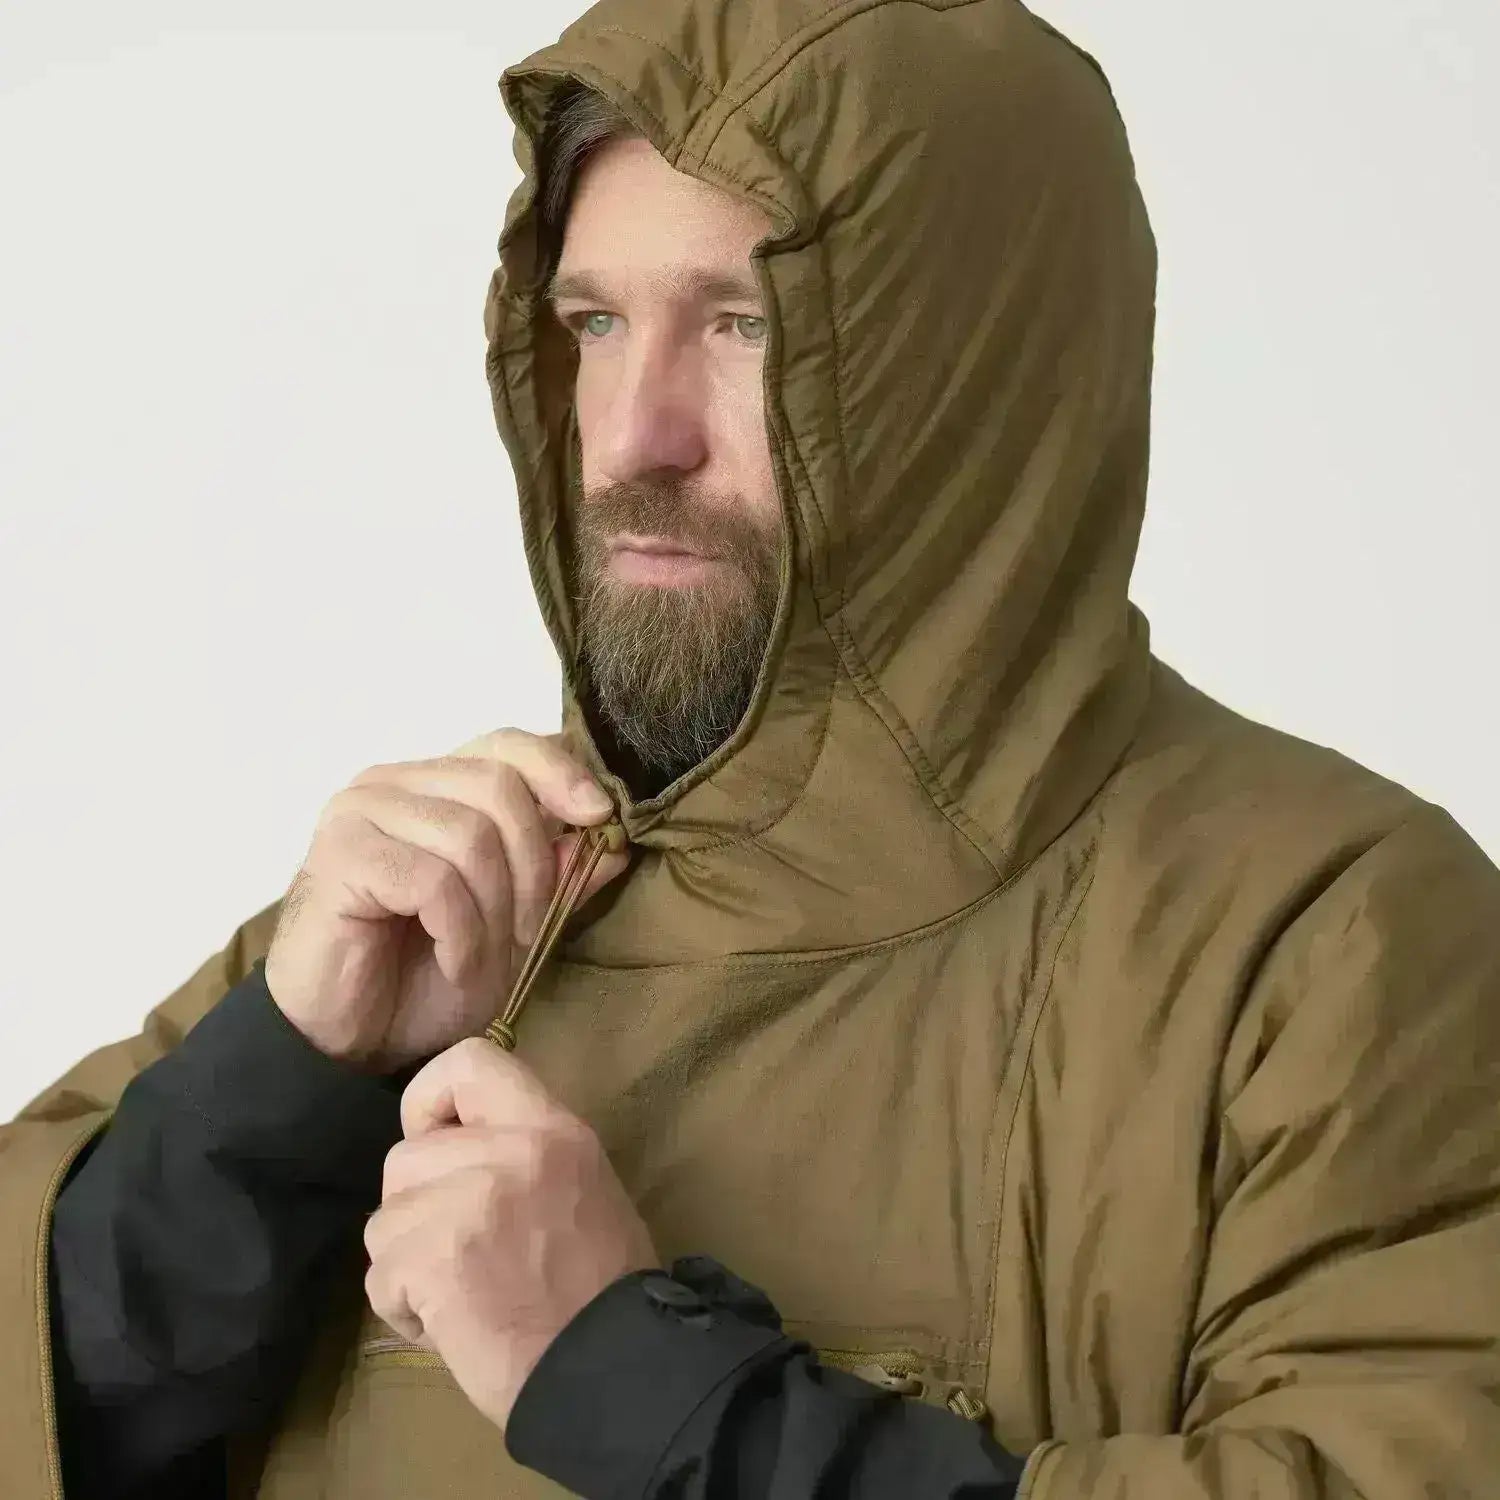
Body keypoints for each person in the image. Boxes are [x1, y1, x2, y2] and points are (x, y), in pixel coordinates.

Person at [6, 0, 1500, 1495]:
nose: (631, 437)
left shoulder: (1328, 938)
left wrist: (633, 1380)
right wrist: (273, 1098)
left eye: (744, 324)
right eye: (595, 324)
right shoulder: (424, 915)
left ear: (975, 381)